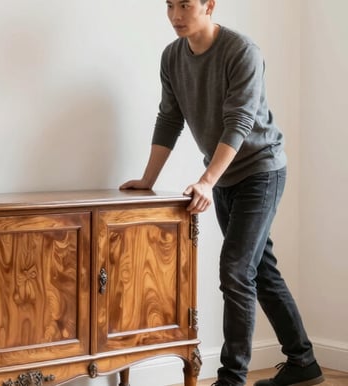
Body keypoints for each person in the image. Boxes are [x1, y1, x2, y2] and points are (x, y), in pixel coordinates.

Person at [120, 1, 323, 385]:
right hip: (225, 177)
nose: (177, 14)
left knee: (235, 271)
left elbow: (240, 121)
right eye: (170, 5)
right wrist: (147, 179)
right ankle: (303, 363)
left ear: (209, 5)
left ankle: (231, 377)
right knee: (259, 270)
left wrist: (206, 181)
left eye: (186, 5)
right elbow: (169, 117)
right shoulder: (172, 57)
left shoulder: (241, 50)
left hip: (261, 170)